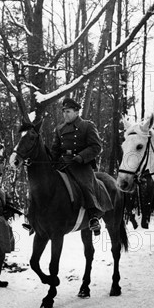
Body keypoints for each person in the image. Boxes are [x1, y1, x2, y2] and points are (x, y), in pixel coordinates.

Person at [51, 97, 107, 234]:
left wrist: (81, 157)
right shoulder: (59, 129)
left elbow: (96, 146)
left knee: (85, 184)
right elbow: (55, 149)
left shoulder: (87, 126)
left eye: (68, 112)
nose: (65, 115)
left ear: (76, 112)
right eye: (64, 112)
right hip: (63, 163)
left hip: (81, 164)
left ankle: (93, 217)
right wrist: (50, 161)